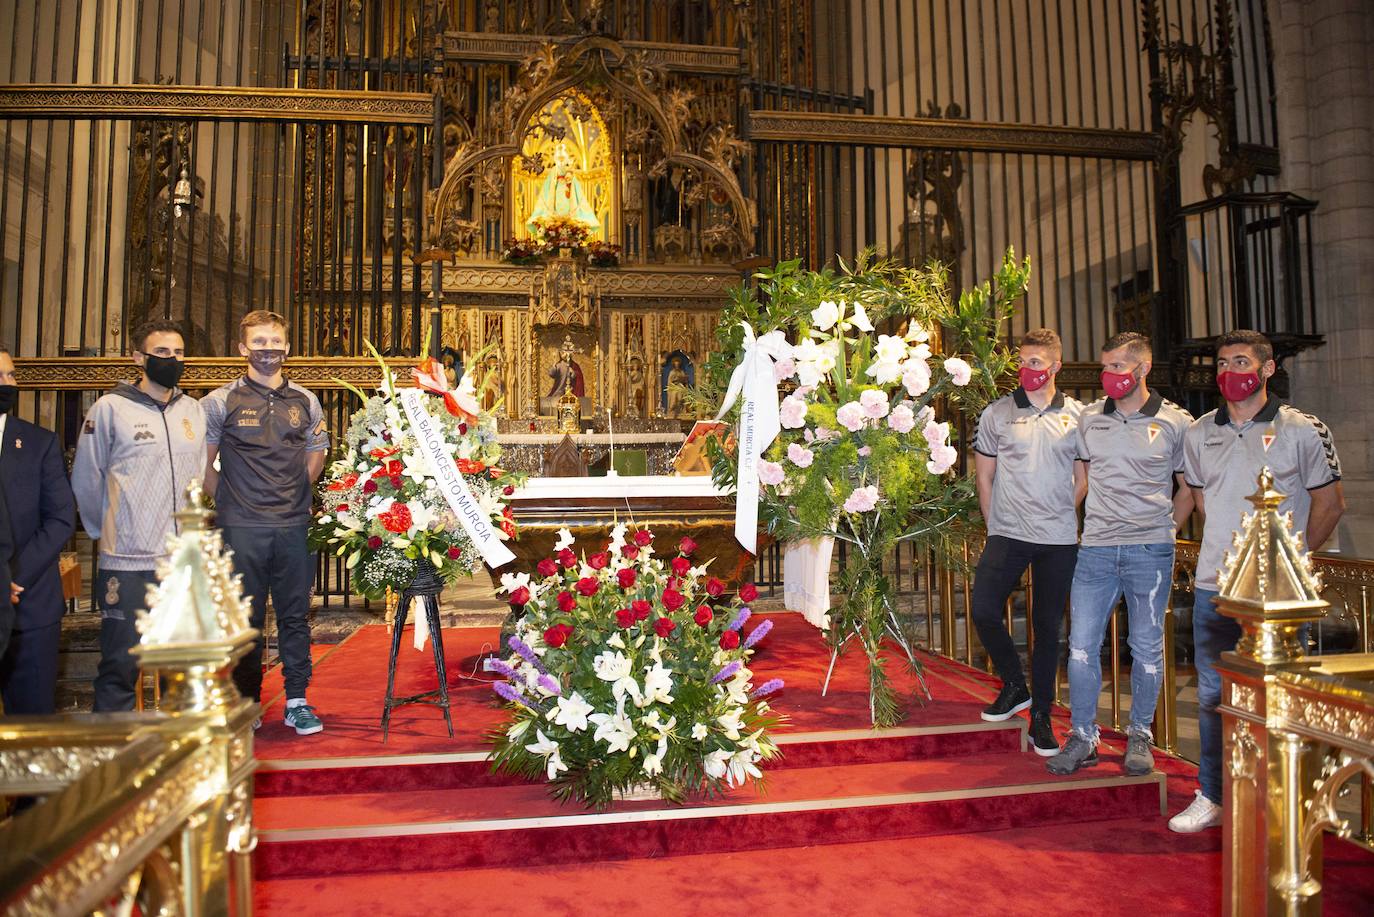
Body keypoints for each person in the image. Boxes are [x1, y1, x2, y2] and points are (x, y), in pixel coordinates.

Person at [1169, 329, 1344, 832]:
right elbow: (1202, 500)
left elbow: (1331, 504)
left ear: (1267, 369)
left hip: (1277, 597)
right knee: (1210, 696)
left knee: (1282, 695)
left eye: (1242, 361)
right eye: (1223, 362)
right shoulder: (1199, 432)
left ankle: (1288, 804)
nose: (1230, 371)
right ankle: (1214, 793)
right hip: (1216, 586)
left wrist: (1293, 561)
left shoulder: (1304, 429)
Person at [1047, 332, 1193, 777]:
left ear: (1142, 368)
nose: (1107, 375)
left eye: (1116, 367)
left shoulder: (1175, 422)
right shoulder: (1090, 419)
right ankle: (1084, 737)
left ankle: (1140, 737)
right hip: (1095, 549)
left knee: (1146, 648)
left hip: (1149, 551)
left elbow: (1188, 488)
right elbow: (1080, 476)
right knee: (1080, 649)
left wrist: (1166, 531)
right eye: (1104, 367)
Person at [203, 311, 329, 735]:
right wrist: (232, 500)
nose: (268, 349)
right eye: (259, 342)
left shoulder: (306, 401)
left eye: (275, 341)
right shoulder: (219, 401)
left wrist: (294, 490)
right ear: (243, 348)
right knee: (245, 619)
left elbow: (316, 453)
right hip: (241, 527)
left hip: (293, 524)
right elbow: (203, 465)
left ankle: (297, 700)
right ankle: (247, 702)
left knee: (296, 616)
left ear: (287, 347)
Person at [72, 320, 206, 712]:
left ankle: (177, 753)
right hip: (128, 559)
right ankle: (113, 754)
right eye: (162, 353)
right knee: (120, 662)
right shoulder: (110, 409)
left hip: (182, 559)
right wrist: (107, 530)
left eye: (179, 353)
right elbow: (87, 477)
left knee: (181, 667)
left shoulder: (193, 411)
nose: (172, 360)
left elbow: (198, 475)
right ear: (139, 357)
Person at [970, 328, 1086, 756]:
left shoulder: (1077, 415)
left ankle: (1041, 715)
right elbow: (984, 477)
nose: (1027, 370)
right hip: (1007, 531)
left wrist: (1059, 510)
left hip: (1057, 538)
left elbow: (1083, 477)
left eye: (1036, 362)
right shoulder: (997, 413)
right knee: (984, 609)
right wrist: (994, 524)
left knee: (1047, 629)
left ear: (1056, 366)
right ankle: (1014, 684)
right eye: (1022, 361)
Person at [0, 344, 77, 715]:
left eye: (10, 374)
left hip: (29, 604)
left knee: (32, 725)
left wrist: (11, 577)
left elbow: (61, 517)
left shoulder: (38, 442)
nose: (8, 383)